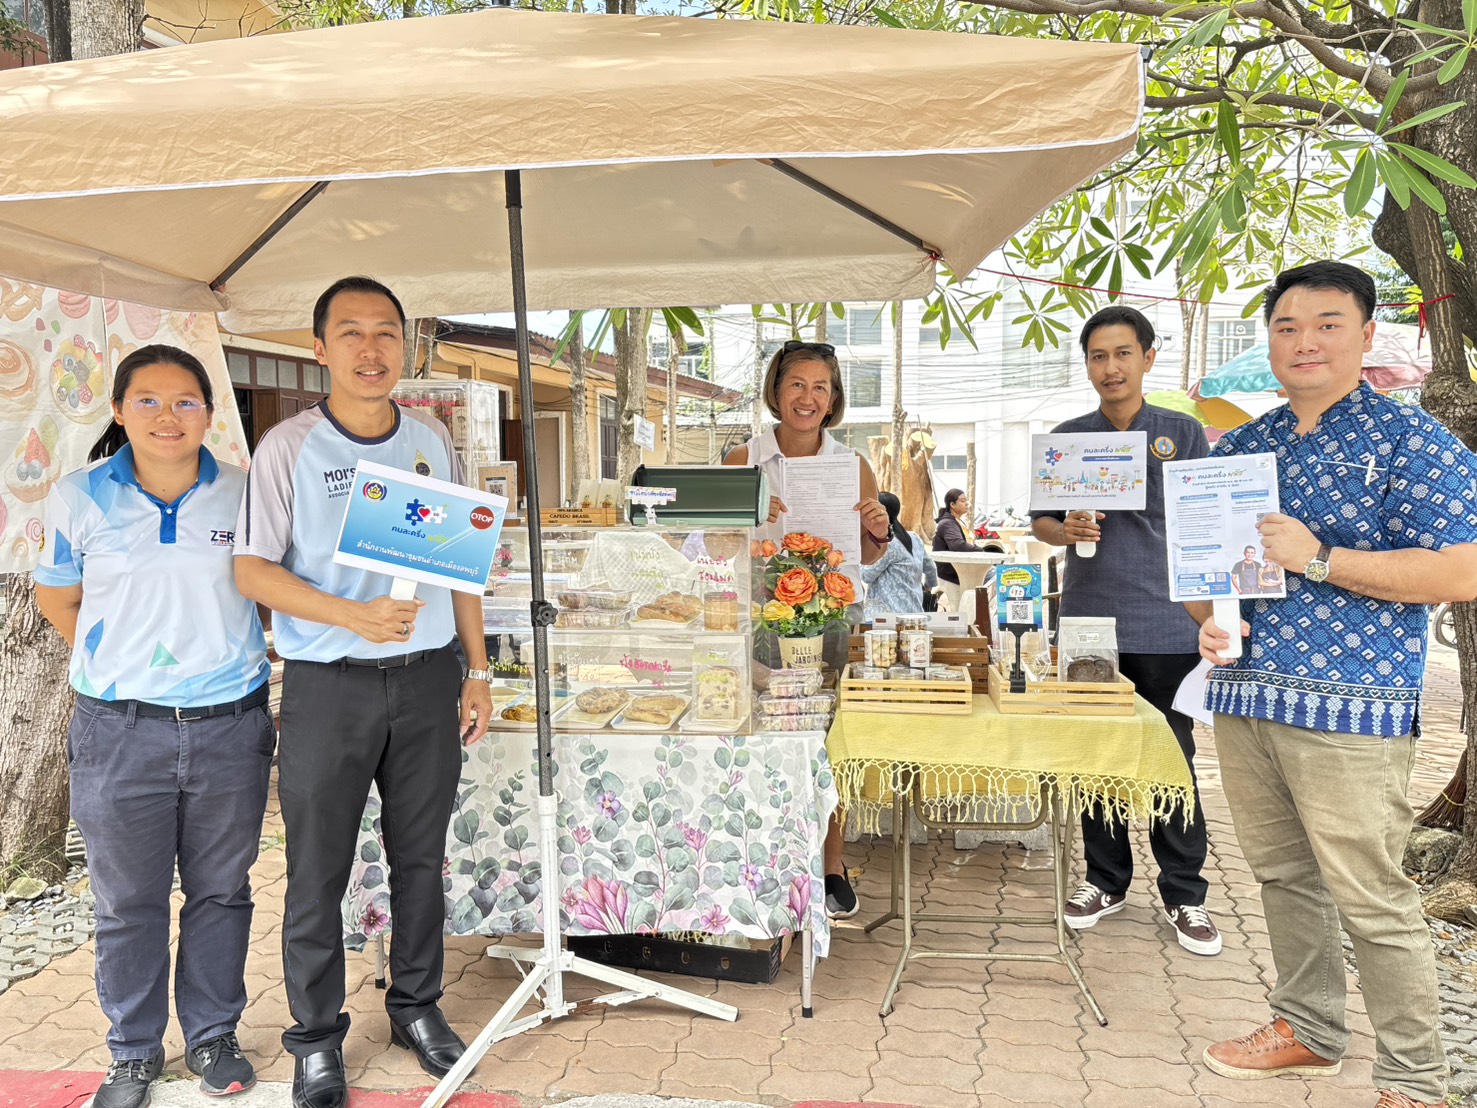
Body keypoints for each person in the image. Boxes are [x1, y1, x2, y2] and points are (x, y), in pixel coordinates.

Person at [1193, 261, 1477, 1108]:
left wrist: (1320, 557)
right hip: (1247, 695)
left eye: (1324, 323)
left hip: (1351, 709)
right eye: (1286, 326)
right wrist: (1206, 620)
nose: (1303, 341)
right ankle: (1308, 1029)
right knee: (1280, 875)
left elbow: (1461, 571)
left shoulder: (1410, 441)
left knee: (1372, 896)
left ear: (1364, 335)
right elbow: (1208, 572)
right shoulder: (1242, 446)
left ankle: (1415, 1081)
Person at [233, 277, 494, 1108]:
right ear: (319, 349)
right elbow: (251, 568)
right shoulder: (290, 448)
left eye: (386, 332)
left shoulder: (429, 441)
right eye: (351, 333)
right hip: (325, 687)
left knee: (421, 862)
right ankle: (315, 1039)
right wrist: (350, 615)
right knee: (317, 870)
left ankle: (416, 1008)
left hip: (426, 684)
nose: (371, 349)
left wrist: (477, 669)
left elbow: (461, 568)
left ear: (405, 348)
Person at [34, 345, 273, 1108]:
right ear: (118, 411)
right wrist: (119, 667)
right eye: (148, 401)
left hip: (229, 726)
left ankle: (211, 1036)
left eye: (185, 402)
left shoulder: (244, 494)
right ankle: (134, 1051)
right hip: (117, 731)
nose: (167, 417)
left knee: (221, 891)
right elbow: (57, 601)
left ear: (210, 413)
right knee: (126, 900)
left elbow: (269, 591)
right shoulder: (78, 498)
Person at [1028, 305, 1220, 956]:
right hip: (1088, 623)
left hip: (1168, 623)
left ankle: (1185, 893)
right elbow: (1041, 524)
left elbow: (1203, 523)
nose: (1109, 368)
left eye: (1121, 354)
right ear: (1085, 364)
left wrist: (1213, 612)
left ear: (1146, 357)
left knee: (1172, 760)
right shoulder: (1066, 439)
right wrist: (1067, 530)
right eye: (1096, 356)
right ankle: (1104, 881)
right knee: (1097, 758)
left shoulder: (1181, 434)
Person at [724, 338, 890, 918]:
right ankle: (773, 857)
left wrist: (877, 528)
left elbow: (865, 558)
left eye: (821, 387)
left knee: (827, 742)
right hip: (762, 618)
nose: (808, 397)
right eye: (797, 384)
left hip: (833, 620)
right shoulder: (743, 459)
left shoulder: (854, 466)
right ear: (776, 390)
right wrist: (745, 515)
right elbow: (719, 547)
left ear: (834, 398)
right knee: (771, 738)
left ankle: (832, 863)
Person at [862, 491, 938, 618]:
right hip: (914, 613)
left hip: (886, 617)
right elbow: (931, 568)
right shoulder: (914, 538)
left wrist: (858, 560)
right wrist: (927, 588)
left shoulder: (886, 543)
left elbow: (866, 576)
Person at [932, 488, 980, 615]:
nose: (966, 503)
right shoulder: (948, 523)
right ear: (952, 505)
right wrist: (981, 550)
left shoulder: (956, 521)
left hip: (961, 568)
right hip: (952, 571)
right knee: (993, 575)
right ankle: (972, 616)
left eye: (966, 501)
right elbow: (958, 545)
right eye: (962, 501)